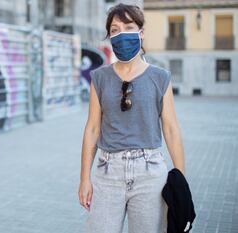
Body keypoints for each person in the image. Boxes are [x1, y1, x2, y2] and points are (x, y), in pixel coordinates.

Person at [78, 3, 185, 233]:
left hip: (150, 175)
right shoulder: (99, 78)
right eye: (115, 30)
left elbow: (171, 129)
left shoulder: (161, 77)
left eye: (129, 27)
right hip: (107, 173)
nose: (122, 34)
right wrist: (84, 179)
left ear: (141, 32)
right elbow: (92, 129)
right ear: (109, 36)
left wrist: (181, 180)